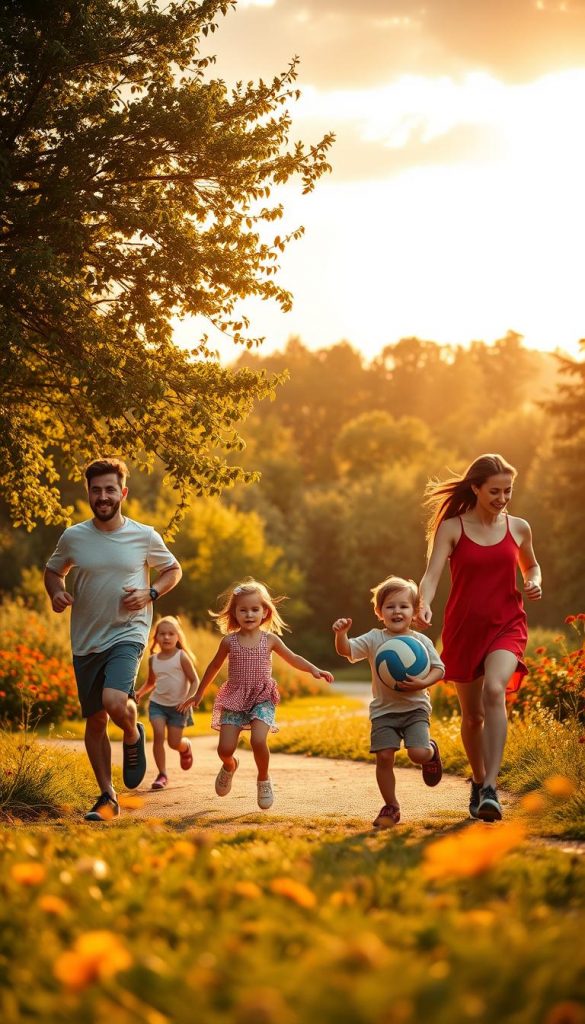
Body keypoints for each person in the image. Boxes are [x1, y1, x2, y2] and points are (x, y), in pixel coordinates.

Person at [44, 457, 182, 821]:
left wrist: (151, 593)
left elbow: (173, 569)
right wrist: (56, 592)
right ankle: (107, 796)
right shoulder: (74, 536)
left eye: (109, 489)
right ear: (88, 493)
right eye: (96, 490)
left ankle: (132, 736)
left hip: (128, 632)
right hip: (86, 639)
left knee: (113, 699)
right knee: (96, 721)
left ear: (123, 492)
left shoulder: (144, 535)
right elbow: (53, 570)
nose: (102, 496)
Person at [418, 453, 542, 823]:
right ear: (475, 488)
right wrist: (424, 602)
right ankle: (477, 780)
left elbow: (531, 564)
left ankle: (490, 786)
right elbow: (432, 574)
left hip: (507, 623)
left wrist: (533, 580)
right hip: (463, 628)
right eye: (495, 491)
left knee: (494, 691)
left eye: (508, 490)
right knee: (472, 717)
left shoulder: (519, 528)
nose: (503, 498)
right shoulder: (452, 528)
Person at [178, 578, 334, 810]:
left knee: (258, 739)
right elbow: (213, 667)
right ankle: (230, 766)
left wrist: (314, 669)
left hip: (262, 697)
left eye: (254, 609)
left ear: (264, 612)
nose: (249, 614)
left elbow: (293, 658)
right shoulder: (229, 641)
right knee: (225, 750)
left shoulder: (270, 640)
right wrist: (199, 693)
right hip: (235, 697)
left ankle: (263, 779)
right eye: (243, 610)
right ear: (234, 614)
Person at [333, 575, 445, 828]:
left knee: (417, 754)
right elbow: (346, 650)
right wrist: (341, 634)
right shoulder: (374, 638)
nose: (397, 611)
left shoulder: (421, 641)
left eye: (404, 606)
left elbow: (439, 669)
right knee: (384, 757)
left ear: (414, 611)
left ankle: (431, 753)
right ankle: (391, 806)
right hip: (384, 712)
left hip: (415, 708)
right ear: (379, 611)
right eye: (390, 606)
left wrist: (423, 683)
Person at [136, 616, 199, 790]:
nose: (166, 637)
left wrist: (189, 698)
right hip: (157, 704)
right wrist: (140, 693)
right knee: (158, 735)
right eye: (162, 634)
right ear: (156, 638)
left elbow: (194, 680)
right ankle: (162, 774)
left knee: (173, 743)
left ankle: (185, 747)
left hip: (179, 707)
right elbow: (151, 682)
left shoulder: (181, 657)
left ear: (178, 637)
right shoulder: (153, 660)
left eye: (171, 633)